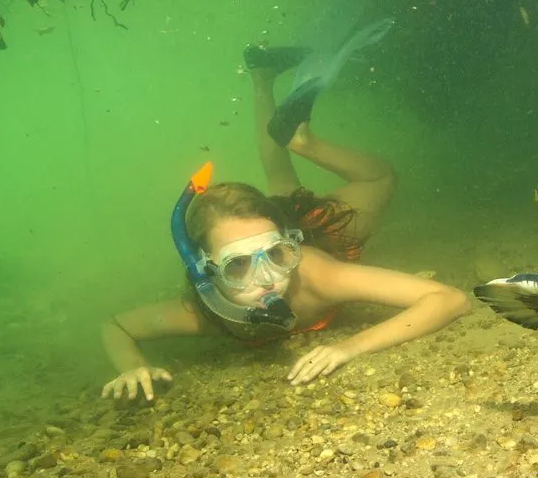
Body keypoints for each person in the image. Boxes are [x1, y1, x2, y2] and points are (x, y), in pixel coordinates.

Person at [99, 29, 471, 402]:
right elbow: (116, 327)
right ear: (205, 270)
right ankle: (262, 74)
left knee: (380, 178)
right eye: (238, 266)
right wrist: (131, 366)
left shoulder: (315, 276)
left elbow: (450, 299)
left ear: (288, 244)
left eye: (277, 254)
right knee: (279, 178)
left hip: (313, 226)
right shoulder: (203, 311)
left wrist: (348, 347)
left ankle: (305, 142)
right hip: (274, 219)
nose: (268, 279)